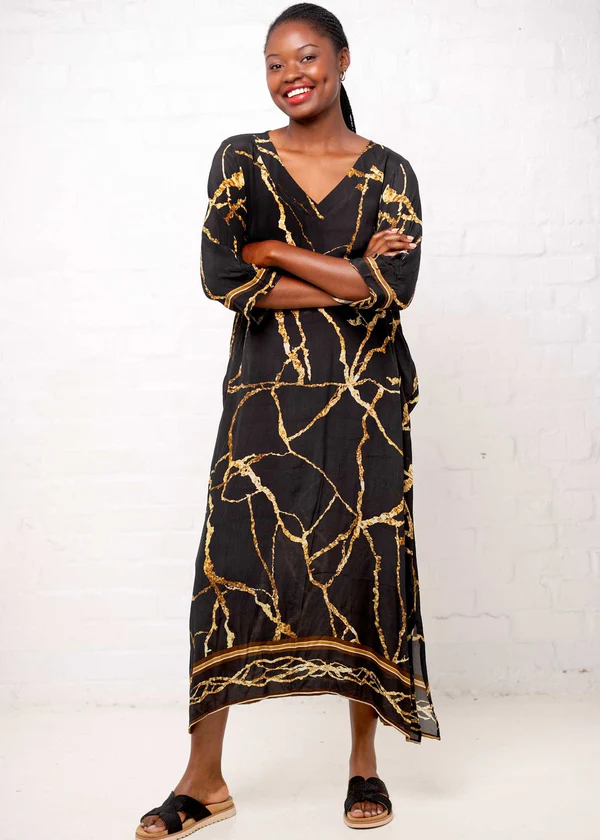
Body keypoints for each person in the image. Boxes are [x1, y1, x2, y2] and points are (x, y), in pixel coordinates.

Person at [135, 3, 441, 837]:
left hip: (365, 397)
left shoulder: (391, 173)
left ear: (342, 58)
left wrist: (272, 253)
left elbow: (393, 291)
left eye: (306, 56)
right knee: (229, 571)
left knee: (362, 567)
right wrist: (346, 272)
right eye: (275, 63)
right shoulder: (240, 160)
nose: (290, 75)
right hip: (264, 397)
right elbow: (221, 277)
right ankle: (203, 780)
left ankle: (364, 765)